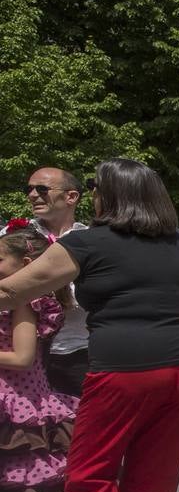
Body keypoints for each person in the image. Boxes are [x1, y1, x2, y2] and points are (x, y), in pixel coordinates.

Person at [0, 158, 179, 492]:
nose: (92, 193)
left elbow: (12, 291)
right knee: (152, 479)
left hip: (125, 366)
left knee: (87, 478)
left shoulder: (86, 242)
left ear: (110, 195)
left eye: (96, 186)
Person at [0, 227, 79, 492]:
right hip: (9, 397)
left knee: (24, 485)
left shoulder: (24, 300)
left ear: (26, 263)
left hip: (21, 400)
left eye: (0, 259)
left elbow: (22, 357)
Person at [22, 168, 90, 397]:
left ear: (71, 197)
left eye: (42, 189)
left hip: (79, 353)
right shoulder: (13, 236)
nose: (32, 195)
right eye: (29, 189)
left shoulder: (89, 240)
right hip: (24, 356)